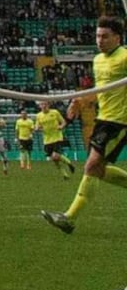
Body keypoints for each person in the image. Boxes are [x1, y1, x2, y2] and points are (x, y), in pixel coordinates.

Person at [42, 16, 127, 234]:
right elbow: (102, 91)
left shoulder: (125, 57)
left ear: (117, 37)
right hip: (103, 119)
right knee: (98, 169)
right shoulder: (98, 59)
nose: (100, 40)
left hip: (120, 122)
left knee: (92, 166)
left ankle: (69, 218)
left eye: (105, 36)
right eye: (98, 36)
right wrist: (80, 101)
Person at [35, 100, 75, 180]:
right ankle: (65, 175)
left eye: (45, 104)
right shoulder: (38, 116)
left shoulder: (55, 112)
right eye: (42, 104)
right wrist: (37, 128)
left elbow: (63, 122)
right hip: (47, 140)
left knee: (55, 156)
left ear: (48, 105)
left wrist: (61, 126)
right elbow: (37, 125)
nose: (44, 106)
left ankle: (69, 163)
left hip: (57, 137)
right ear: (40, 106)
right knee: (54, 159)